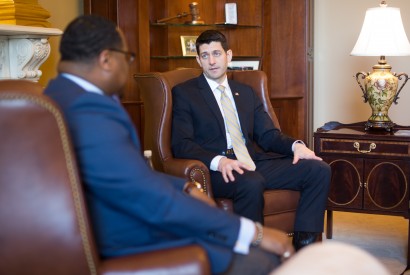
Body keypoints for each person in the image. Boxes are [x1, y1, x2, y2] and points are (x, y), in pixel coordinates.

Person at [44, 15, 295, 275]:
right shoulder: (89, 110)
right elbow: (147, 198)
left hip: (118, 217)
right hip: (125, 235)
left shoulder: (59, 95)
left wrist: (184, 186)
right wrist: (250, 233)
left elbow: (126, 177)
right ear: (107, 60)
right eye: (127, 58)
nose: (127, 68)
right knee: (262, 259)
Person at [171, 29, 331, 251]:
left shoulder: (245, 92)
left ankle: (304, 248)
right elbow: (182, 143)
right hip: (219, 170)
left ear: (229, 55)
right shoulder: (185, 93)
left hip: (251, 161)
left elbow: (267, 135)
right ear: (198, 60)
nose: (212, 61)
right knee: (251, 181)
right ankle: (255, 255)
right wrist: (219, 161)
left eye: (216, 53)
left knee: (318, 169)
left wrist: (296, 146)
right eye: (205, 55)